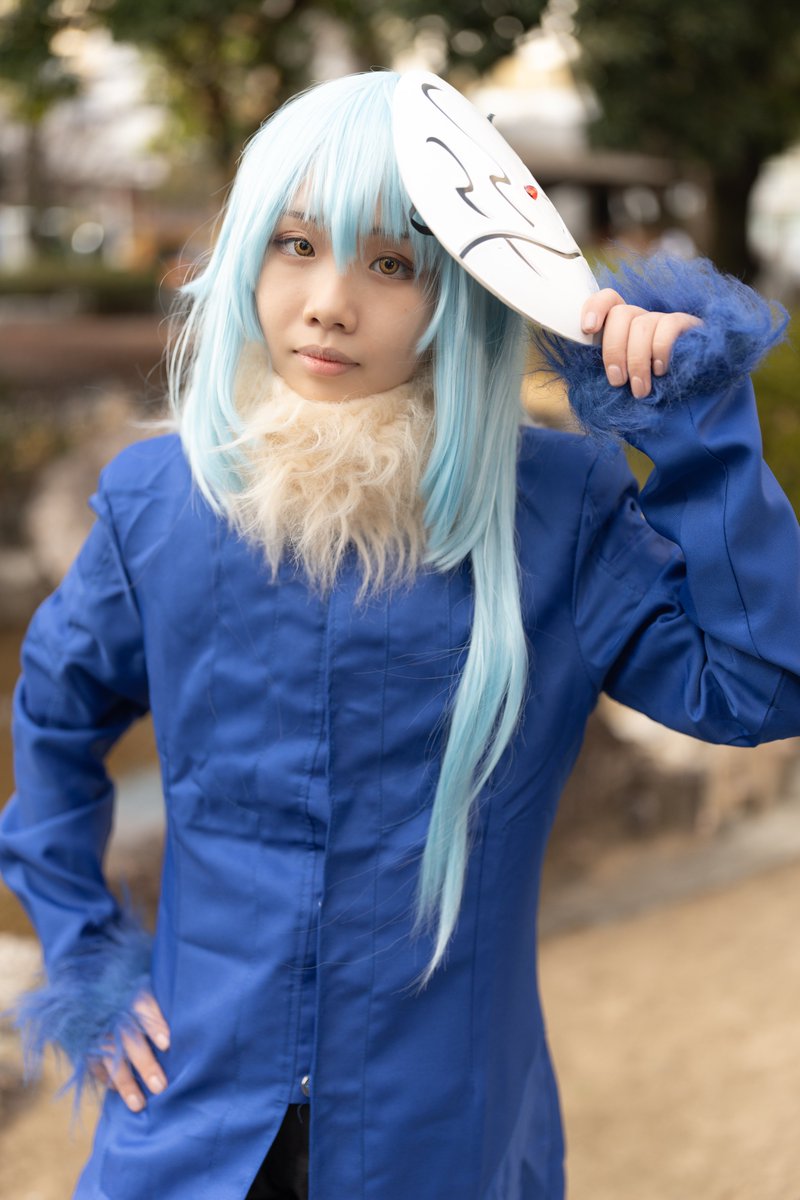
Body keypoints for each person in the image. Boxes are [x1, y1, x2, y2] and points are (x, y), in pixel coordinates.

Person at [1, 68, 799, 1200]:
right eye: (294, 244)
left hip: (445, 1136)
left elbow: (760, 687)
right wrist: (83, 948)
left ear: (463, 288)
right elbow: (53, 716)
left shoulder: (555, 511)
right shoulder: (163, 503)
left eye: (392, 264)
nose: (329, 301)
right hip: (187, 1127)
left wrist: (695, 433)